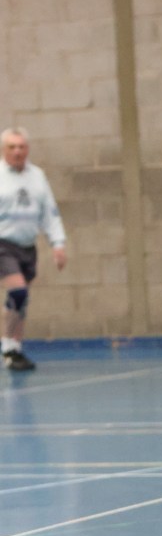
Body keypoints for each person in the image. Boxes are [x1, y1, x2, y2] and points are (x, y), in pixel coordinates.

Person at [1, 127, 68, 371]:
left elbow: (49, 213)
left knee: (22, 300)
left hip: (27, 246)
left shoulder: (37, 176)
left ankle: (15, 349)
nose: (17, 151)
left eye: (21, 146)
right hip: (3, 245)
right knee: (17, 291)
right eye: (12, 147)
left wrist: (57, 244)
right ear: (4, 150)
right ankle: (7, 346)